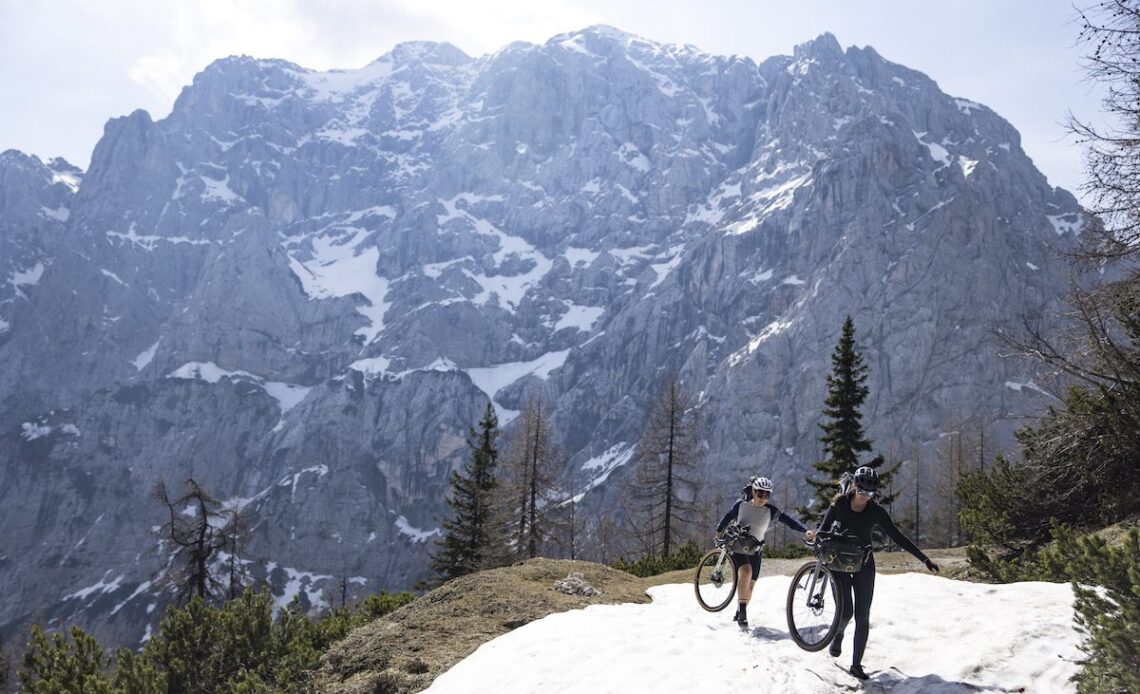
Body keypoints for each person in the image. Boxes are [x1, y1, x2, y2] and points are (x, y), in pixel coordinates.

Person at [817, 466, 940, 680]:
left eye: (870, 493)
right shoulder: (840, 503)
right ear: (855, 486)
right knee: (846, 612)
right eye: (862, 491)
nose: (865, 496)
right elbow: (823, 530)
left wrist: (925, 559)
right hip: (838, 562)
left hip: (864, 563)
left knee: (863, 615)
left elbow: (897, 536)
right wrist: (819, 549)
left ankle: (856, 665)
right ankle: (838, 635)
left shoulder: (876, 511)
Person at [716, 476, 812, 628]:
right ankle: (742, 613)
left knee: (751, 586)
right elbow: (728, 517)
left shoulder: (770, 510)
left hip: (756, 551)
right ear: (753, 491)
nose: (763, 497)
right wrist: (719, 530)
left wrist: (805, 531)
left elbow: (789, 521)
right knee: (746, 572)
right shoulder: (741, 505)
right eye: (760, 493)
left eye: (767, 494)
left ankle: (740, 609)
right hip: (738, 547)